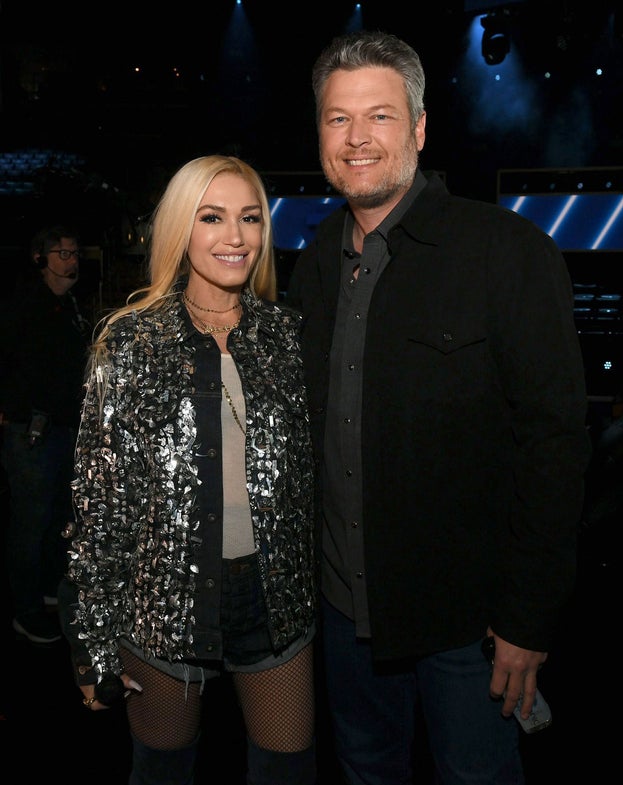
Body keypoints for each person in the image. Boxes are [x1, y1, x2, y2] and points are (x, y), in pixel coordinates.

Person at [286, 30, 593, 785]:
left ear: (420, 128)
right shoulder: (315, 261)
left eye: (381, 116)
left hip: (468, 630)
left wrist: (527, 621)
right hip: (343, 617)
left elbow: (555, 445)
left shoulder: (507, 252)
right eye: (337, 119)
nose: (357, 138)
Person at [57, 155, 317, 785]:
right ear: (181, 228)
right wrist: (92, 644)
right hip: (163, 608)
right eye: (213, 217)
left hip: (274, 599)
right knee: (162, 773)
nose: (236, 236)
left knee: (288, 770)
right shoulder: (129, 342)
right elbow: (99, 506)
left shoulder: (286, 335)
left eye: (250, 218)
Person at [0, 223, 90, 645]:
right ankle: (26, 609)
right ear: (41, 258)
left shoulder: (72, 304)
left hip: (64, 429)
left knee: (58, 516)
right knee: (30, 523)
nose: (71, 260)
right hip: (32, 432)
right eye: (62, 253)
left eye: (74, 252)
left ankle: (51, 589)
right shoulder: (24, 304)